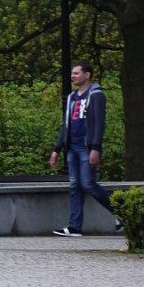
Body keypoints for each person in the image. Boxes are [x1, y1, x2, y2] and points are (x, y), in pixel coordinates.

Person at [50, 61, 122, 237]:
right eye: (72, 73)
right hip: (72, 147)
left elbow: (99, 123)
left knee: (87, 184)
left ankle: (122, 211)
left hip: (86, 147)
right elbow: (66, 125)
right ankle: (74, 227)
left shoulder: (96, 95)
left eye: (76, 73)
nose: (72, 76)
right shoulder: (72, 97)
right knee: (75, 185)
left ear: (87, 75)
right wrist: (57, 149)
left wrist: (95, 148)